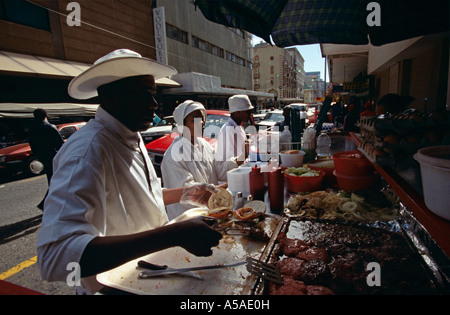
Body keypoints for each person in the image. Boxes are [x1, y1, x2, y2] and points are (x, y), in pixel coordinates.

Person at [36, 49, 222, 294]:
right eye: (144, 93)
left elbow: (144, 196)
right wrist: (172, 235)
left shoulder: (130, 136)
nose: (154, 104)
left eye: (154, 94)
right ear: (112, 95)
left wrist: (188, 192)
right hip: (113, 288)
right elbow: (54, 257)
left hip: (150, 276)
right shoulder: (87, 150)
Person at [161, 101, 238, 220]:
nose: (201, 122)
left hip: (209, 213)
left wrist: (237, 162)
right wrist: (213, 190)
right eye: (194, 120)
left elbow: (219, 169)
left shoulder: (204, 145)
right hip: (187, 220)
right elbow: (186, 191)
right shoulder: (174, 154)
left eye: (202, 118)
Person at [28, 108, 65, 210]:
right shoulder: (50, 127)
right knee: (59, 181)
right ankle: (46, 204)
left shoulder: (32, 129)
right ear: (46, 115)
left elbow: (32, 146)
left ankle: (50, 204)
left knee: (52, 180)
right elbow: (60, 144)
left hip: (43, 158)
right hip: (54, 157)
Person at [215, 94, 254, 164]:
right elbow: (230, 162)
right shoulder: (228, 130)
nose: (250, 115)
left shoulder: (239, 128)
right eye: (247, 112)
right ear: (237, 113)